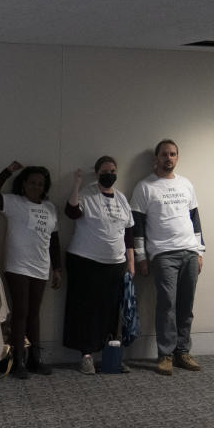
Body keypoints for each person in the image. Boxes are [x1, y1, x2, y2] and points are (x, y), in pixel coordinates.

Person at [131, 139, 204, 376]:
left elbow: (194, 219)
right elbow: (137, 226)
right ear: (157, 158)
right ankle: (165, 355)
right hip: (163, 254)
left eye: (173, 154)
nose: (169, 158)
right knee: (167, 305)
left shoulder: (186, 185)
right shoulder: (145, 187)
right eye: (164, 154)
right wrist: (141, 256)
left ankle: (183, 351)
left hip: (189, 252)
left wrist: (199, 250)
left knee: (186, 305)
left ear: (177, 158)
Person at [0, 161, 61, 379]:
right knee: (20, 313)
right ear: (24, 184)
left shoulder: (50, 207)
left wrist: (57, 269)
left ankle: (34, 358)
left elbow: (54, 240)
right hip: (18, 266)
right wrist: (7, 171)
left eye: (41, 184)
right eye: (32, 183)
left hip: (41, 267)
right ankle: (18, 360)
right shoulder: (14, 202)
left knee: (34, 315)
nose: (36, 187)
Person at [62, 156, 135, 375]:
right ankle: (86, 356)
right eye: (105, 170)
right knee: (87, 311)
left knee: (111, 311)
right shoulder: (87, 194)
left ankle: (110, 355)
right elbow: (71, 212)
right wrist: (76, 184)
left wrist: (131, 262)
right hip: (86, 262)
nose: (109, 174)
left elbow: (129, 233)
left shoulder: (121, 199)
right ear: (97, 173)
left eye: (113, 170)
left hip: (116, 264)